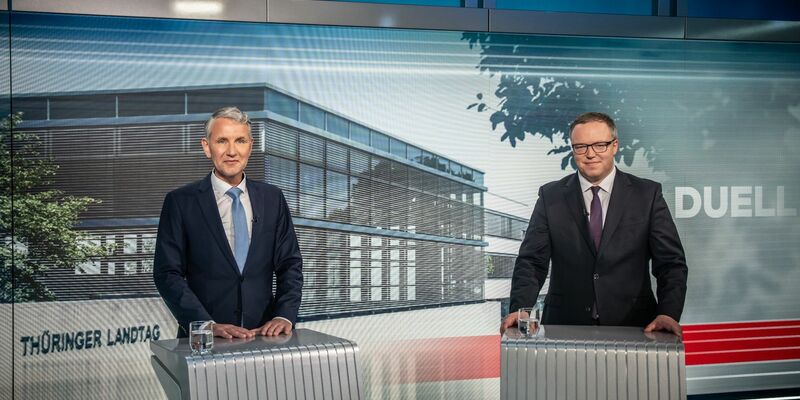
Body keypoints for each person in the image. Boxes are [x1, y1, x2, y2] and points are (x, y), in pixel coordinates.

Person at [501, 112, 687, 336]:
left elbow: (671, 263)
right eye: (580, 147)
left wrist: (668, 312)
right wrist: (521, 308)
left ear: (614, 146)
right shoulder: (550, 196)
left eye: (600, 145)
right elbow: (531, 262)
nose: (590, 154)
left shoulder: (647, 195)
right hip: (564, 326)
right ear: (573, 150)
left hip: (636, 326)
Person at [154, 106, 303, 339]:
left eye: (240, 141)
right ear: (206, 147)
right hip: (205, 340)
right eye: (222, 141)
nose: (232, 151)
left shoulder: (273, 198)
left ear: (250, 147)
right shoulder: (180, 202)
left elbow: (290, 264)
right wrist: (204, 325)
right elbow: (167, 273)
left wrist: (284, 315)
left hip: (265, 336)